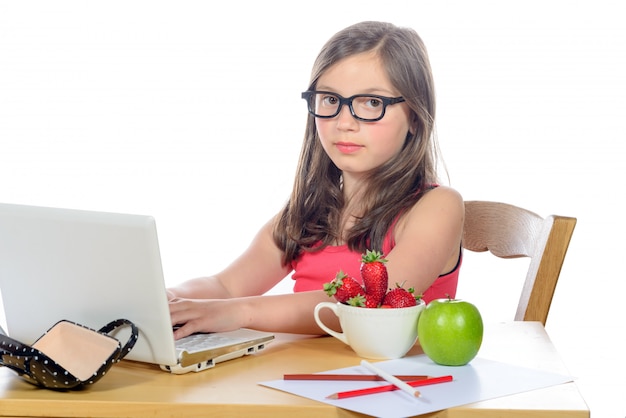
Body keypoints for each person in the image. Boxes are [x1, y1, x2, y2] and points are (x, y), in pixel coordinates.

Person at [168, 21, 464, 339]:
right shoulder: (308, 214)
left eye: (372, 103)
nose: (344, 122)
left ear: (416, 119)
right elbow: (225, 285)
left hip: (392, 384)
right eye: (330, 100)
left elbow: (368, 301)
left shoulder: (438, 206)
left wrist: (241, 312)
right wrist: (169, 298)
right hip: (300, 381)